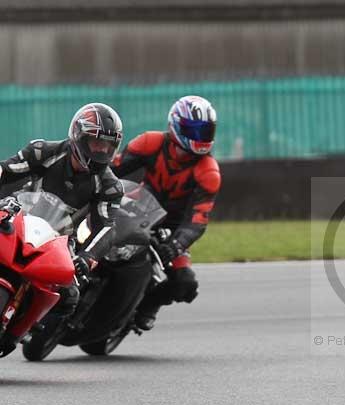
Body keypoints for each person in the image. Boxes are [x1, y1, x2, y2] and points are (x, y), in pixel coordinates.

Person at [0, 102, 124, 350]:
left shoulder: (109, 185)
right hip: (20, 217)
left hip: (60, 239)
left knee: (70, 297)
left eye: (108, 145)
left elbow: (106, 227)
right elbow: (5, 170)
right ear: (79, 136)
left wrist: (88, 257)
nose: (101, 150)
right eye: (96, 143)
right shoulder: (42, 151)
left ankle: (31, 326)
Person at [112, 95, 220, 331]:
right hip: (136, 207)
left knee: (186, 284)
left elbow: (197, 221)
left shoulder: (208, 172)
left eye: (206, 131)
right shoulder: (150, 142)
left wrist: (175, 246)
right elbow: (112, 170)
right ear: (176, 125)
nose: (200, 137)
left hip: (171, 228)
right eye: (194, 130)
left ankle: (149, 305)